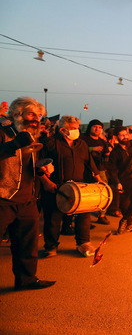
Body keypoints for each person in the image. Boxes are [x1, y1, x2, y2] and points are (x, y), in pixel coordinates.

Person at [0, 97, 56, 290]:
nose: (36, 119)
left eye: (39, 116)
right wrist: (15, 143)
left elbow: (29, 164)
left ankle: (26, 279)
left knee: (27, 244)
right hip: (3, 197)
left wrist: (43, 171)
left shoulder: (33, 136)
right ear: (16, 113)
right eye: (32, 114)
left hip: (28, 198)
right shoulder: (3, 132)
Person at [39, 115, 102, 258]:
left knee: (84, 216)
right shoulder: (49, 143)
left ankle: (83, 243)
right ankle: (51, 247)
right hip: (56, 187)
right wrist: (46, 182)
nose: (76, 131)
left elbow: (90, 163)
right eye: (73, 129)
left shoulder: (82, 144)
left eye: (77, 128)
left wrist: (98, 179)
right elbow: (37, 165)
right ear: (63, 129)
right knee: (53, 219)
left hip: (79, 187)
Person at [81, 119, 111, 224]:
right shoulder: (83, 139)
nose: (97, 129)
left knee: (105, 191)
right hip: (85, 169)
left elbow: (107, 153)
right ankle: (85, 219)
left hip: (100, 169)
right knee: (87, 194)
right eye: (95, 126)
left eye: (99, 127)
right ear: (90, 127)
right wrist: (92, 149)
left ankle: (102, 215)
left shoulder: (102, 141)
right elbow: (79, 150)